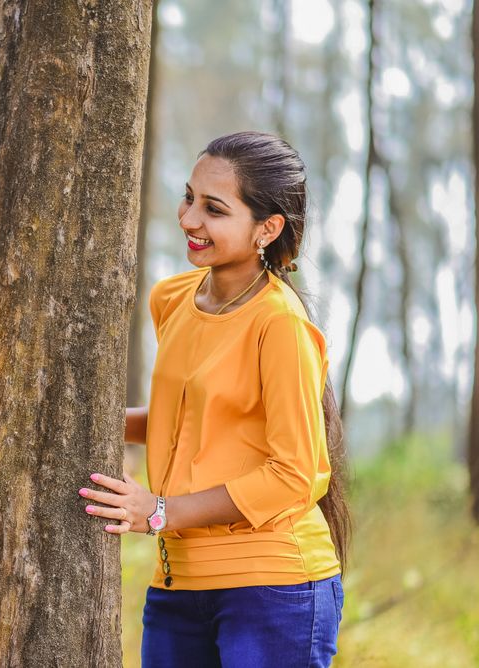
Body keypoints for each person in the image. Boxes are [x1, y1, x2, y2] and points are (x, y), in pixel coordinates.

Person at [80, 131, 351, 667]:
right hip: (177, 585)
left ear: (267, 229)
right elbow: (196, 422)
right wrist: (90, 421)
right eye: (188, 198)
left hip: (274, 589)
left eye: (214, 209)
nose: (188, 220)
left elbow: (294, 474)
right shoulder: (173, 298)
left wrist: (160, 511)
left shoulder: (280, 325)